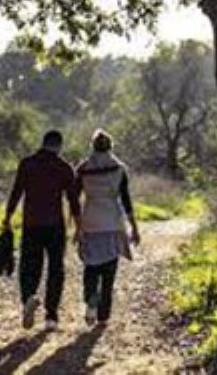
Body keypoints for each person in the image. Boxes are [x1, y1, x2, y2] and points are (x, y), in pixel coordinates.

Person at [2, 129, 80, 329]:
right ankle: (51, 317)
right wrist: (79, 227)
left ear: (43, 143)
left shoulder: (27, 164)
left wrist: (8, 217)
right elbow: (73, 201)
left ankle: (28, 297)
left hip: (31, 224)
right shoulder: (64, 167)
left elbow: (16, 191)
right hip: (55, 225)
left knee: (29, 265)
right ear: (59, 146)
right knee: (56, 268)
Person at [74, 129, 141, 328]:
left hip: (90, 220)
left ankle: (90, 302)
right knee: (109, 271)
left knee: (91, 267)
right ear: (111, 147)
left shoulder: (83, 168)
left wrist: (77, 227)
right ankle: (103, 315)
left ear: (92, 146)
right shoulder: (119, 168)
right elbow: (126, 200)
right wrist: (134, 227)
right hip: (112, 221)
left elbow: (74, 200)